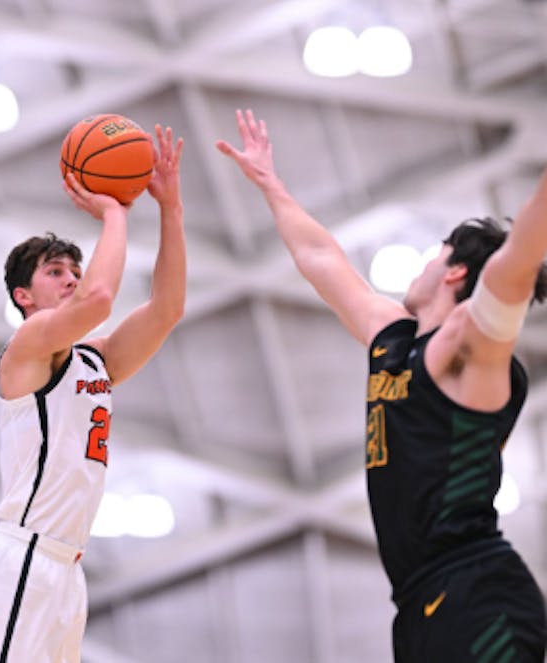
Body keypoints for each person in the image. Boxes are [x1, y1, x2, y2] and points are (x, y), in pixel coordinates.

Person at [216, 108, 547, 661]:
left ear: (456, 273)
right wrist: (271, 184)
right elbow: (320, 257)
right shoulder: (394, 339)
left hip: (476, 592)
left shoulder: (470, 350)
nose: (421, 265)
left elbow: (512, 270)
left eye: (434, 254)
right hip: (421, 602)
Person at [0, 123, 185, 663]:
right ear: (23, 296)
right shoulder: (27, 347)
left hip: (65, 572)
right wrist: (116, 212)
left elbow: (167, 308)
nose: (73, 279)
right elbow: (101, 298)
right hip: (18, 563)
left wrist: (170, 210)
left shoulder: (93, 359)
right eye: (56, 271)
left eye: (75, 270)